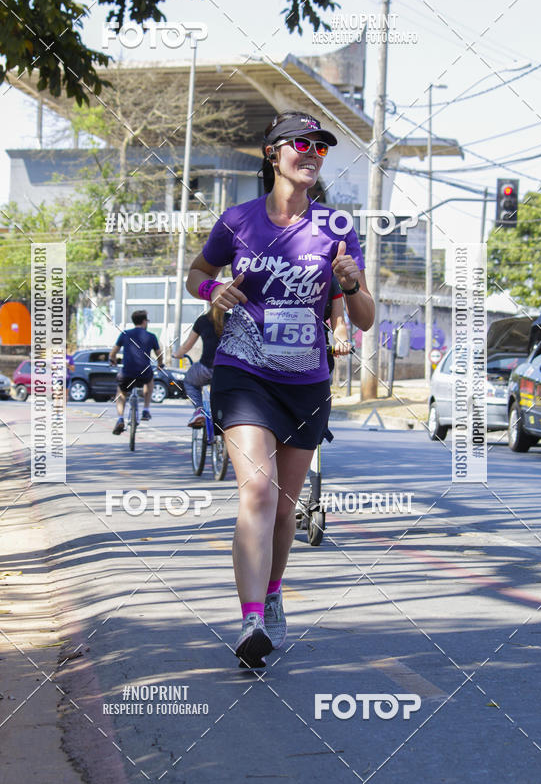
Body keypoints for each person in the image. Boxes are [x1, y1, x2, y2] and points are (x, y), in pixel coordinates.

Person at [185, 110, 374, 669]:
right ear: (273, 154)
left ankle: (271, 594)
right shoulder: (239, 220)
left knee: (286, 508)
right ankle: (247, 622)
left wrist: (350, 284)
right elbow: (197, 272)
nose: (312, 153)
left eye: (320, 146)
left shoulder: (337, 228)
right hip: (244, 373)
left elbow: (363, 318)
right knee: (259, 493)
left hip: (307, 382)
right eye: (301, 143)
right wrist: (213, 291)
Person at [173, 307, 230, 428]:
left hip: (206, 368)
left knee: (189, 381)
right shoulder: (232, 319)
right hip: (227, 369)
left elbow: (187, 346)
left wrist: (177, 354)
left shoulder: (202, 320)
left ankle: (199, 410)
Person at [109, 310, 163, 434]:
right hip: (144, 373)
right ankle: (146, 409)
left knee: (121, 392)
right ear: (144, 321)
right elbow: (159, 354)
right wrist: (160, 364)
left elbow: (113, 353)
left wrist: (112, 360)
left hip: (127, 373)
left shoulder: (124, 334)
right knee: (149, 382)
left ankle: (120, 419)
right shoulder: (151, 336)